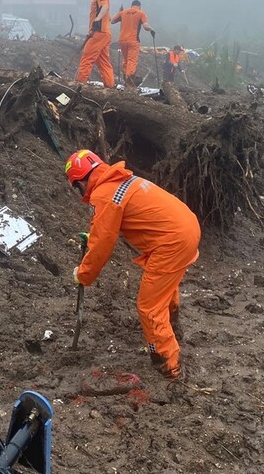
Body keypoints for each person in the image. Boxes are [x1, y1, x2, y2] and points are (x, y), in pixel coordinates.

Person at [65, 149, 200, 379]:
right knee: (164, 287)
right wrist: (95, 234)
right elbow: (108, 227)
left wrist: (84, 275)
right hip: (186, 228)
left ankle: (170, 367)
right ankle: (174, 329)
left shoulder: (104, 195)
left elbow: (101, 246)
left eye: (78, 186)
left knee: (149, 308)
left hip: (171, 242)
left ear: (81, 180)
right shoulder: (120, 180)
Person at [75, 0, 114, 88]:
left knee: (86, 57)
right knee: (103, 62)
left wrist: (98, 19)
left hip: (99, 33)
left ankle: (79, 86)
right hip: (104, 33)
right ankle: (110, 86)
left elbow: (105, 7)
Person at [111, 0, 155, 87]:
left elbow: (112, 21)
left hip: (122, 40)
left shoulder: (123, 12)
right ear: (139, 6)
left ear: (131, 6)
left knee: (126, 60)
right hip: (133, 40)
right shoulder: (141, 13)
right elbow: (146, 27)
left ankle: (125, 77)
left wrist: (119, 12)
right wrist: (152, 30)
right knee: (132, 61)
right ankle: (129, 81)